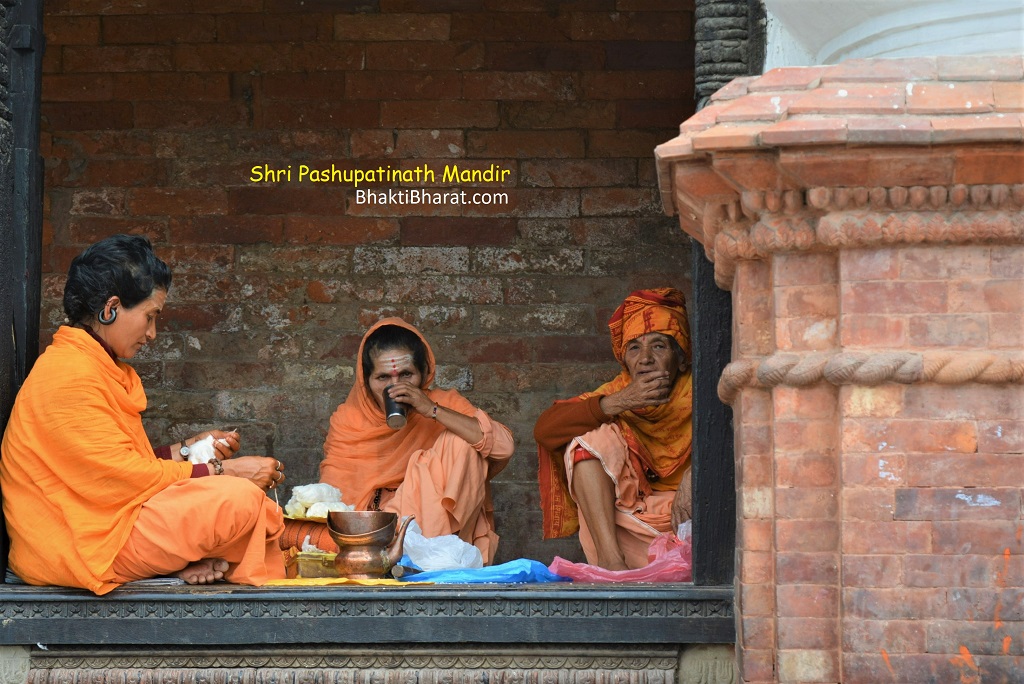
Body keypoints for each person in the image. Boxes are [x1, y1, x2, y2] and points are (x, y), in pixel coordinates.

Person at [0, 235, 287, 595]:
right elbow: (121, 479)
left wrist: (186, 450)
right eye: (150, 317)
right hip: (78, 545)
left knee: (234, 503)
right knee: (238, 501)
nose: (152, 334)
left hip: (107, 525)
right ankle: (185, 562)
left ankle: (176, 565)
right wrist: (223, 470)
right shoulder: (67, 375)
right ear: (111, 309)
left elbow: (120, 467)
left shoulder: (92, 365)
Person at [313, 317, 515, 565]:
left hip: (439, 539)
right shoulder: (349, 419)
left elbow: (503, 447)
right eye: (383, 378)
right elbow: (333, 501)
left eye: (406, 375)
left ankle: (429, 562)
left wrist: (432, 410)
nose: (395, 387)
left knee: (462, 438)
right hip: (378, 532)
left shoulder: (443, 404)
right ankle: (396, 559)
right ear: (366, 382)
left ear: (424, 374)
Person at [534, 287, 693, 570]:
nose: (645, 358)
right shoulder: (617, 392)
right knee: (589, 437)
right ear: (625, 361)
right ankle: (611, 563)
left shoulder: (704, 394)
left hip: (690, 522)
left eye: (658, 346)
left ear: (681, 360)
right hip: (631, 525)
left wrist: (697, 473)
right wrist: (618, 402)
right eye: (634, 348)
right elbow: (545, 431)